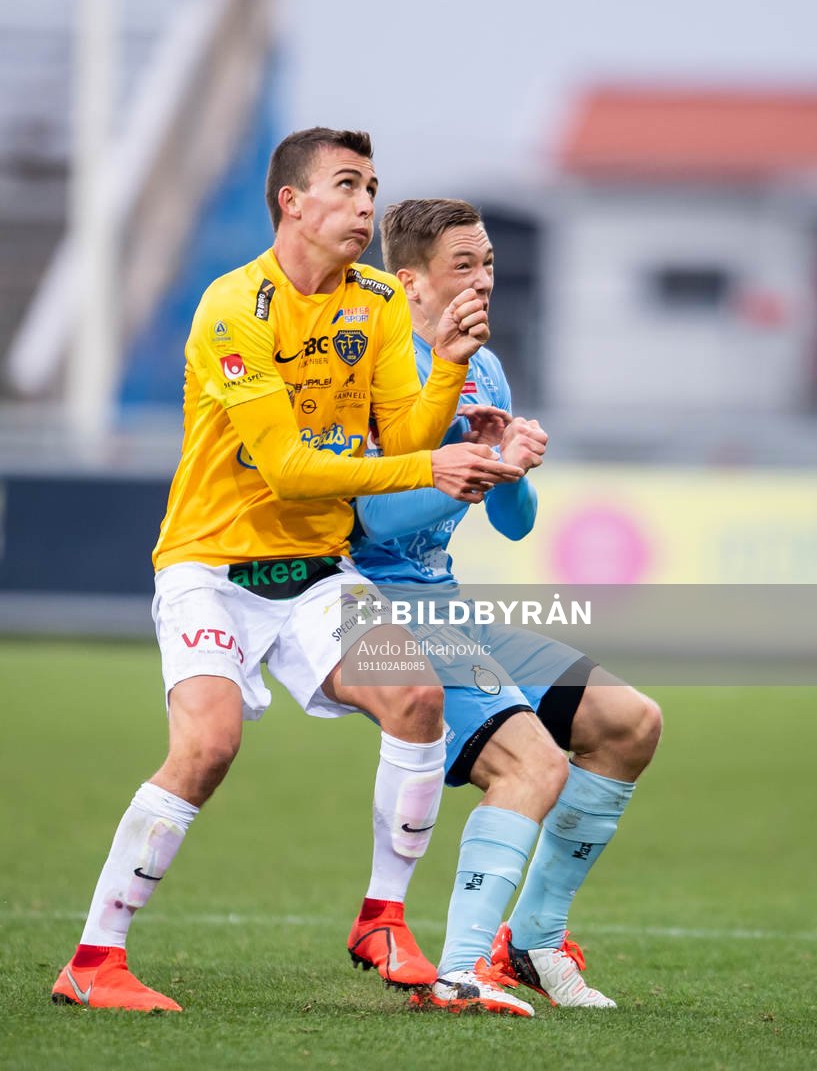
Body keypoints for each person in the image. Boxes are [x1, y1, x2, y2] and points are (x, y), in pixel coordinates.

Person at [51, 130, 524, 1013]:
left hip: (313, 571)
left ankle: (382, 915)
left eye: (372, 187)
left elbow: (403, 436)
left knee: (416, 696)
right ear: (291, 203)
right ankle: (94, 959)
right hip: (211, 565)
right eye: (345, 186)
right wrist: (430, 471)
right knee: (208, 746)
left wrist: (448, 373)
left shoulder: (379, 299)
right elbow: (287, 467)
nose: (364, 205)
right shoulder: (235, 306)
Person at [351, 198, 662, 1017]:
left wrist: (509, 470)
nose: (482, 280)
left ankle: (530, 940)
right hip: (371, 612)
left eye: (487, 263)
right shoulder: (373, 371)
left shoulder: (483, 368)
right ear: (408, 280)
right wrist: (478, 465)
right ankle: (459, 974)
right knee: (533, 765)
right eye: (464, 265)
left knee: (628, 723)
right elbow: (372, 523)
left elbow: (515, 525)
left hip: (447, 604)